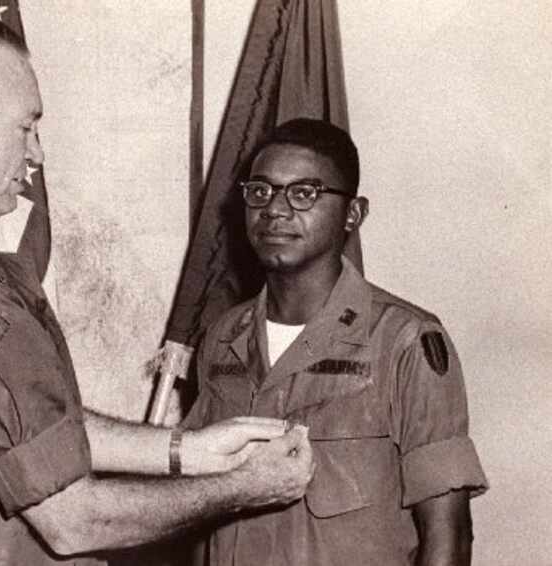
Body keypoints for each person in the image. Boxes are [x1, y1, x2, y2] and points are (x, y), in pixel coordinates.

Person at [0, 11, 316, 566]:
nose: (35, 154)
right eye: (24, 126)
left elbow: (31, 430)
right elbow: (72, 520)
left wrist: (189, 450)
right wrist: (247, 487)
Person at [181, 118, 489, 566]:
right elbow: (197, 513)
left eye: (303, 193)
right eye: (260, 192)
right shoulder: (222, 340)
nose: (275, 210)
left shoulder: (402, 341)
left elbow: (449, 537)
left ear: (352, 214)